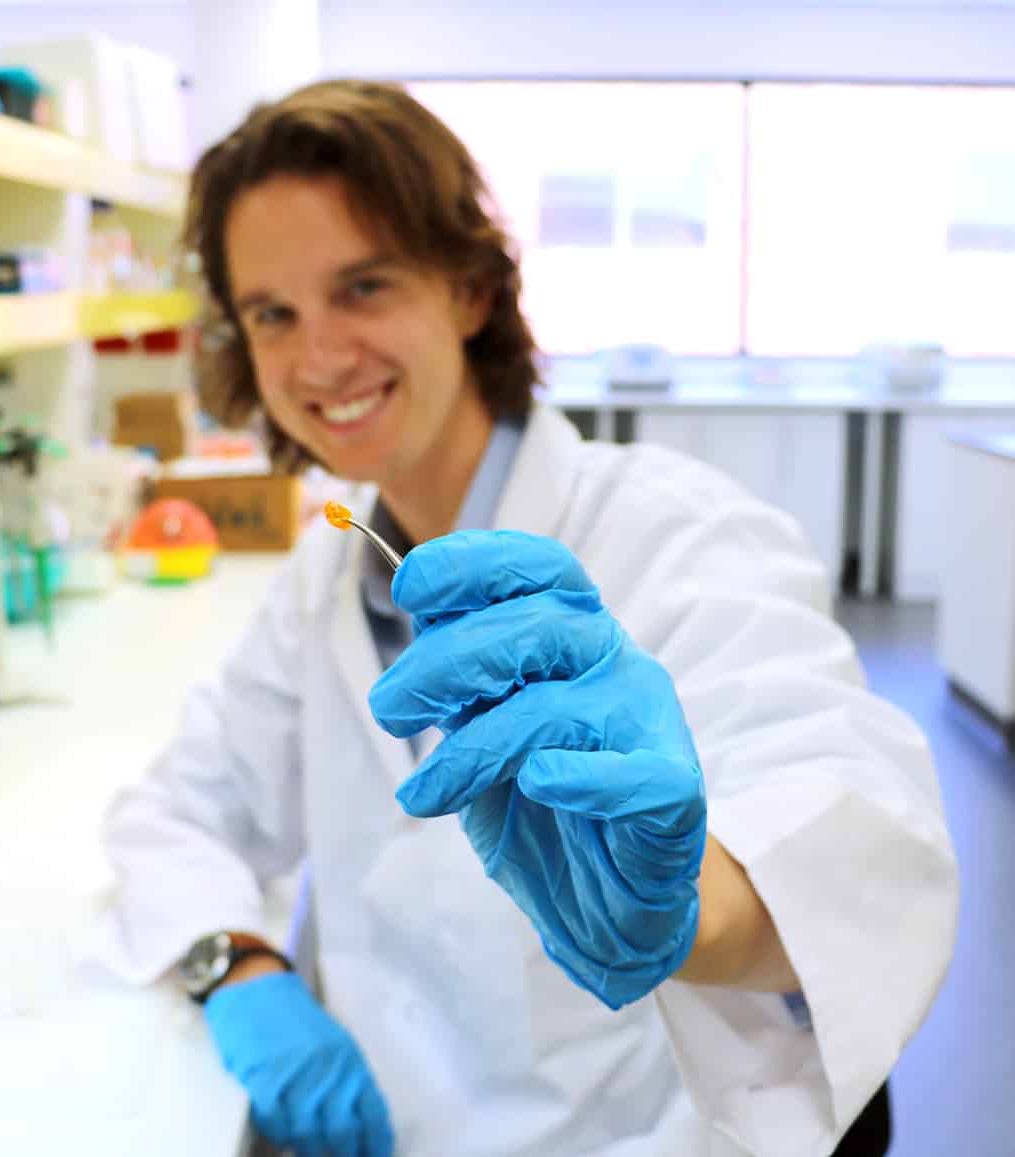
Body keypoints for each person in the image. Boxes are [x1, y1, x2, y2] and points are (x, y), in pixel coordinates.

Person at [98, 79, 958, 1157]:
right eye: (273, 313)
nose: (317, 360)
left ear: (466, 289)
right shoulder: (326, 580)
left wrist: (686, 904)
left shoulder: (674, 533)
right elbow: (175, 813)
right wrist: (240, 969)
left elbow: (854, 825)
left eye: (362, 287)